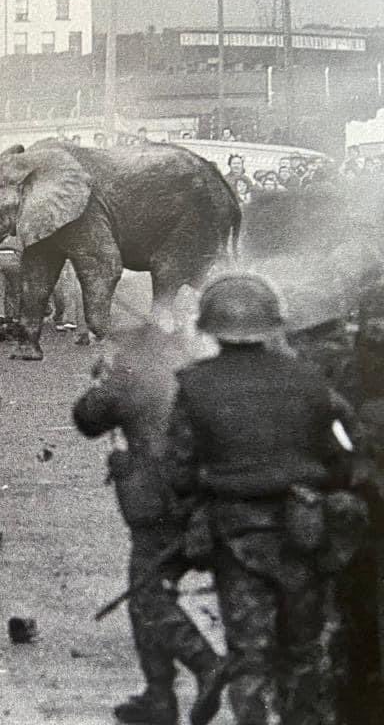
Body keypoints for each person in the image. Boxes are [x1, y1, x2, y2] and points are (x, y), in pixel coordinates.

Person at [166, 273, 367, 725]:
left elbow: (177, 469)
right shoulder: (310, 381)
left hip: (237, 534)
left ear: (211, 326)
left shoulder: (196, 386)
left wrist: (196, 504)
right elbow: (348, 451)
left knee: (249, 654)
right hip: (304, 528)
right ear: (272, 323)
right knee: (304, 650)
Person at [73, 324, 228, 725]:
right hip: (207, 495)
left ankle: (203, 664)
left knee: (147, 595)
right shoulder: (193, 365)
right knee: (150, 588)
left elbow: (88, 417)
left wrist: (106, 376)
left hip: (160, 501)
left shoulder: (132, 373)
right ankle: (158, 697)